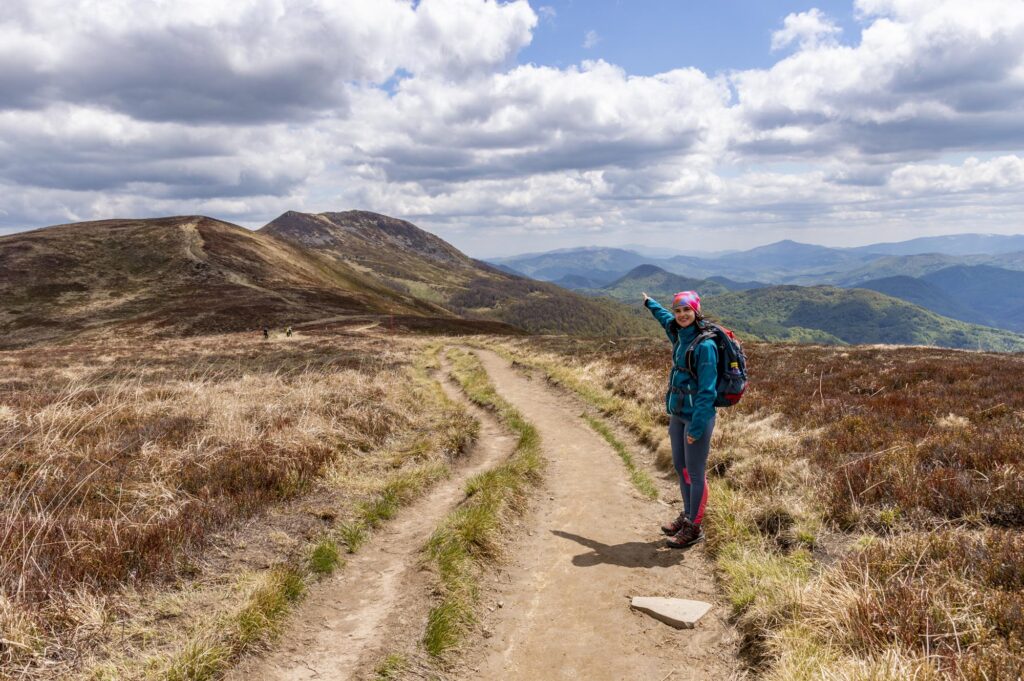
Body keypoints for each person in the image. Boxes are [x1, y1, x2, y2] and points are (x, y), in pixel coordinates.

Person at [642, 290, 718, 549]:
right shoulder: (678, 332)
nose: (682, 314)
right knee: (681, 468)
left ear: (696, 311)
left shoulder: (705, 346)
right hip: (678, 415)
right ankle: (687, 516)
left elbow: (708, 392)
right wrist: (650, 303)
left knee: (695, 473)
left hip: (697, 418)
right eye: (678, 310)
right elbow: (665, 319)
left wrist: (696, 428)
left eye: (687, 309)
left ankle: (694, 528)